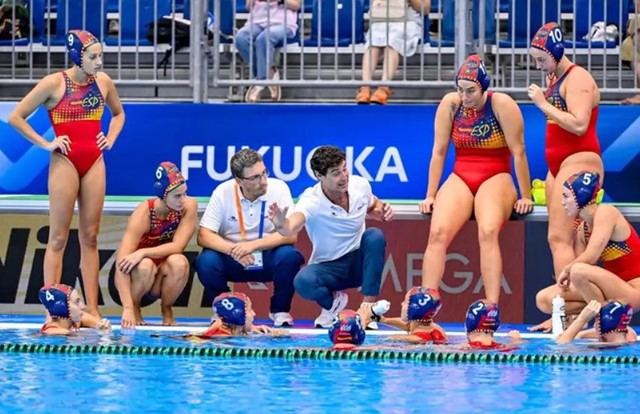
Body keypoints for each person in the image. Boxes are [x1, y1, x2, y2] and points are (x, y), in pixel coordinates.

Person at [8, 30, 125, 318]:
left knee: (91, 237)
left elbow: (119, 114)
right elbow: (15, 117)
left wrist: (110, 138)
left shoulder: (104, 82)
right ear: (77, 56)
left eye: (101, 56)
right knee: (58, 238)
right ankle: (53, 310)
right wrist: (47, 143)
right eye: (93, 57)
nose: (99, 62)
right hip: (65, 163)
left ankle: (93, 310)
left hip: (94, 161)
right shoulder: (54, 83)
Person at [418, 54, 534, 324]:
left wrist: (526, 195)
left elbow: (519, 152)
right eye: (460, 89)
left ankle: (491, 307)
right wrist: (431, 194)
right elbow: (439, 152)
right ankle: (426, 304)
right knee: (437, 233)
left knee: (488, 231)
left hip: (496, 175)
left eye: (470, 91)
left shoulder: (501, 104)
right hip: (462, 174)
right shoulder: (450, 104)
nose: (464, 95)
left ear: (484, 88)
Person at [268, 145, 393, 328]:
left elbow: (373, 205)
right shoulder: (311, 201)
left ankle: (368, 310)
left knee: (374, 236)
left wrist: (383, 210)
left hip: (359, 262)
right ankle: (333, 303)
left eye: (345, 169)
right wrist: (280, 223)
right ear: (319, 176)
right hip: (329, 268)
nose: (344, 177)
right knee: (303, 281)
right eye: (336, 173)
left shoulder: (360, 185)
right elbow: (290, 227)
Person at [527, 22, 603, 288]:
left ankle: (568, 307)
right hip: (558, 167)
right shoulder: (554, 77)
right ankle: (572, 306)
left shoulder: (577, 78)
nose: (538, 66)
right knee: (569, 239)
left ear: (556, 52)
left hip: (580, 160)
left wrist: (543, 104)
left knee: (559, 238)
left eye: (541, 60)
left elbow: (580, 124)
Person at [195, 148, 304, 328]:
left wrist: (251, 246)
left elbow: (290, 235)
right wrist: (233, 250)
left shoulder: (278, 188)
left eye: (264, 173)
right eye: (255, 178)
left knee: (289, 256)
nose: (263, 181)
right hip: (234, 258)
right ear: (239, 181)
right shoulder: (222, 192)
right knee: (206, 261)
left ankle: (280, 311)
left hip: (268, 256)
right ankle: (226, 309)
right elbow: (204, 235)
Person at [534, 171, 640, 322]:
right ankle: (603, 312)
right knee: (545, 299)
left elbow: (590, 257)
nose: (562, 203)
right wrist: (557, 317)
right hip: (608, 291)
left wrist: (567, 269)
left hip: (633, 292)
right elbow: (578, 282)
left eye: (566, 196)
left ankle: (606, 321)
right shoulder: (582, 229)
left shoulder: (606, 212)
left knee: (578, 270)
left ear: (580, 196)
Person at [114, 162, 197, 329]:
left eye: (185, 194)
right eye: (177, 196)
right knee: (145, 266)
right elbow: (121, 264)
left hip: (163, 273)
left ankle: (166, 308)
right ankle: (136, 307)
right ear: (163, 195)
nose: (183, 200)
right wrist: (128, 308)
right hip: (136, 276)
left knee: (179, 262)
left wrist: (143, 251)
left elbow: (177, 246)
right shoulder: (143, 214)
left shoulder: (188, 206)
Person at [356, 0, 430, 104]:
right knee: (372, 43)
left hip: (408, 22)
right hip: (383, 20)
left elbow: (425, 9)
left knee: (392, 42)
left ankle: (384, 87)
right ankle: (365, 87)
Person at [236, 0, 300, 102]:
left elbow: (296, 5)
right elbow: (248, 6)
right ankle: (270, 73)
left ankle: (259, 84)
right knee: (241, 38)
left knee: (264, 38)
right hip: (257, 21)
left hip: (283, 23)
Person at [360, 287, 448, 344]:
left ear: (414, 309)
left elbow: (418, 338)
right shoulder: (434, 328)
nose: (402, 304)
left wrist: (362, 321)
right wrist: (382, 320)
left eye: (406, 302)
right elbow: (410, 326)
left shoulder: (415, 338)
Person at [190, 292, 279, 338]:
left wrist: (250, 327)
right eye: (250, 310)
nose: (254, 313)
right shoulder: (221, 338)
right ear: (238, 315)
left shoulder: (226, 327)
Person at [38, 283, 111, 335]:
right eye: (77, 302)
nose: (83, 306)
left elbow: (84, 317)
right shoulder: (54, 332)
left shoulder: (69, 322)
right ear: (63, 307)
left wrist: (100, 325)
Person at [556, 300, 636, 345]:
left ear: (602, 324)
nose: (594, 325)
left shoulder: (598, 348)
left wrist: (582, 319)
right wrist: (581, 334)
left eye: (596, 320)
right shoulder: (630, 338)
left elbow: (560, 345)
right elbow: (621, 328)